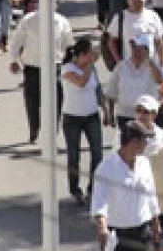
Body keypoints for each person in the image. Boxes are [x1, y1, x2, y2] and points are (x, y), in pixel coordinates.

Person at [91, 120, 161, 251]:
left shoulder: (144, 163)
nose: (146, 144)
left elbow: (151, 197)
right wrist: (102, 228)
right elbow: (99, 203)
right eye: (144, 140)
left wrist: (156, 227)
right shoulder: (106, 168)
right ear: (134, 142)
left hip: (143, 233)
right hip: (118, 236)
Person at [9, 7, 74, 144]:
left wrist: (71, 65)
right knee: (33, 102)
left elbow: (69, 45)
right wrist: (13, 60)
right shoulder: (28, 20)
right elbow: (16, 41)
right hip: (33, 67)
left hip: (54, 67)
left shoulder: (62, 22)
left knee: (56, 101)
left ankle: (52, 132)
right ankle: (34, 128)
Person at [60, 37, 103, 206]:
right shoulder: (67, 69)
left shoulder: (92, 69)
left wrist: (105, 109)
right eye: (89, 54)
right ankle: (74, 188)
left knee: (97, 153)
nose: (91, 58)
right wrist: (90, 66)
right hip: (72, 117)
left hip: (91, 115)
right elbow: (81, 83)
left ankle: (93, 187)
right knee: (74, 155)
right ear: (81, 55)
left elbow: (96, 88)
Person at [104, 34, 163, 132]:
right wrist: (109, 114)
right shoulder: (121, 67)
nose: (135, 49)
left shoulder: (154, 66)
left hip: (148, 116)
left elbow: (160, 80)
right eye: (133, 46)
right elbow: (111, 91)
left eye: (139, 47)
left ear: (147, 49)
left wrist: (149, 61)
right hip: (125, 116)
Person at [107, 0, 163, 69]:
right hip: (130, 68)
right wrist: (119, 62)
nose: (137, 0)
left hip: (151, 68)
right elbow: (111, 41)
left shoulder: (153, 15)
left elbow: (159, 42)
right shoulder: (120, 17)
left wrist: (162, 66)